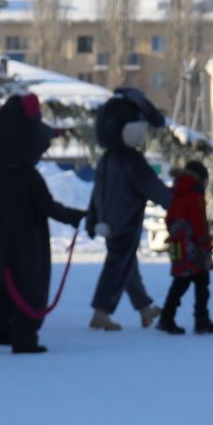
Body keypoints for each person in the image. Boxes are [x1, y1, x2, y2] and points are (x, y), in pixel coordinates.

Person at [0, 94, 85, 354]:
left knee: (5, 286)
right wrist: (75, 216)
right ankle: (24, 338)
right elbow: (47, 207)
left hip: (2, 242)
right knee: (28, 287)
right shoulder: (28, 177)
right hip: (27, 244)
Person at [86, 90, 173, 331]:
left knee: (127, 266)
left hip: (109, 222)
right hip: (125, 223)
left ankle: (144, 309)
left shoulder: (107, 159)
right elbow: (153, 188)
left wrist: (93, 219)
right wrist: (178, 202)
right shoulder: (131, 161)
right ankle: (101, 311)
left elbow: (96, 192)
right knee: (117, 266)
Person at [156, 160, 213, 335]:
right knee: (200, 283)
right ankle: (199, 320)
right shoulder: (194, 195)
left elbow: (170, 219)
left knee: (181, 282)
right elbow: (199, 222)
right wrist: (204, 245)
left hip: (179, 246)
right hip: (194, 248)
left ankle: (168, 318)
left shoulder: (177, 192)